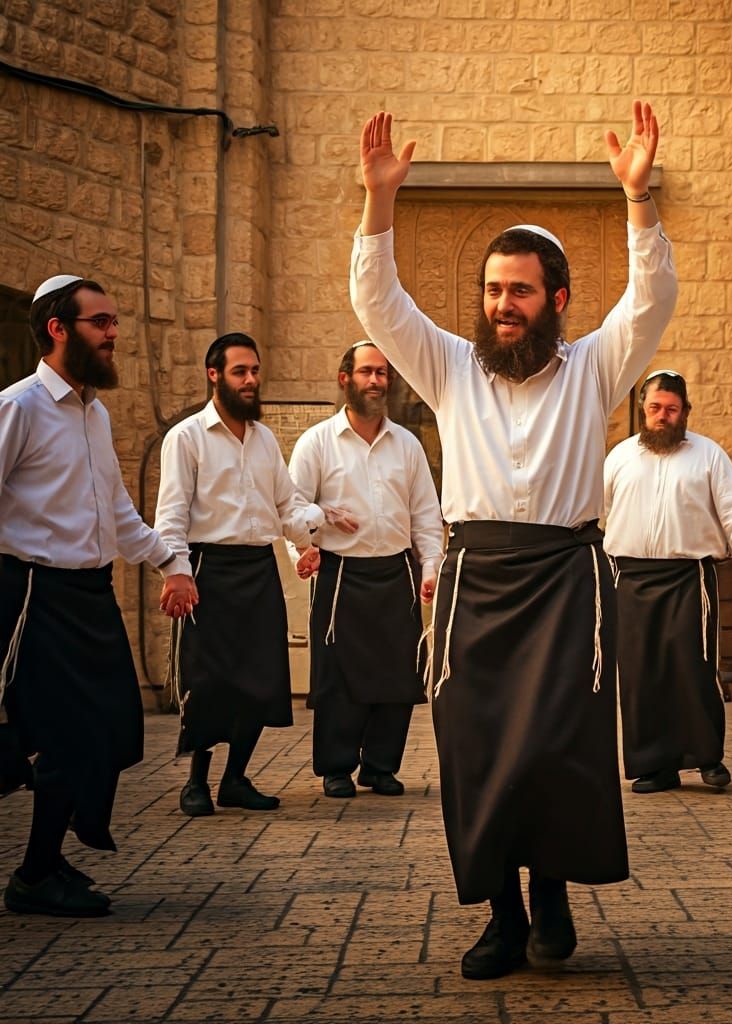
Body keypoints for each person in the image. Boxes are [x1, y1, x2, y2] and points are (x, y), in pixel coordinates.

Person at [350, 102, 678, 978]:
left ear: (555, 299)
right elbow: (376, 300)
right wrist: (381, 203)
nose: (503, 305)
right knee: (476, 745)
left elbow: (653, 300)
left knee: (558, 748)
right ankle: (499, 915)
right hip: (476, 579)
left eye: (520, 291)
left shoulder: (598, 367)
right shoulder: (450, 364)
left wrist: (637, 202)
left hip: (566, 577)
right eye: (494, 290)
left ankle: (553, 897)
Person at [0, 274, 195, 917]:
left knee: (111, 725)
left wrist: (172, 563)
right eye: (101, 323)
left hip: (91, 594)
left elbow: (116, 511)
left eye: (114, 322)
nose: (115, 334)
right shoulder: (19, 407)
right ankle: (33, 876)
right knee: (63, 736)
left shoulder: (96, 411)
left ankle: (51, 857)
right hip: (36, 594)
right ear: (58, 329)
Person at [155, 332, 325, 816]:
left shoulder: (265, 438)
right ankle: (196, 783)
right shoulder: (185, 438)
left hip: (258, 569)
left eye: (254, 371)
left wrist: (305, 544)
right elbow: (170, 516)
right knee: (209, 681)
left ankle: (236, 779)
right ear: (214, 375)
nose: (251, 380)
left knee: (261, 679)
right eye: (239, 372)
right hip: (208, 570)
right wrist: (176, 572)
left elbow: (287, 504)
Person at [288, 341, 443, 799]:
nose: (376, 381)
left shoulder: (407, 445)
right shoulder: (317, 442)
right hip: (340, 574)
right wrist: (314, 528)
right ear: (345, 379)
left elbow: (426, 516)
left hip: (397, 573)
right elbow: (291, 509)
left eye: (382, 373)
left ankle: (380, 766)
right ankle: (337, 767)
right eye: (366, 373)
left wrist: (430, 565)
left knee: (397, 673)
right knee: (339, 677)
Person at [604, 370, 732, 794]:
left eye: (672, 409)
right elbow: (597, 515)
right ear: (643, 410)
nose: (663, 416)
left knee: (692, 668)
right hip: (631, 576)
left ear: (685, 412)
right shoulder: (619, 457)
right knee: (641, 675)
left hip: (688, 577)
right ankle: (654, 766)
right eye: (656, 408)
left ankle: (707, 758)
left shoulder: (709, 455)